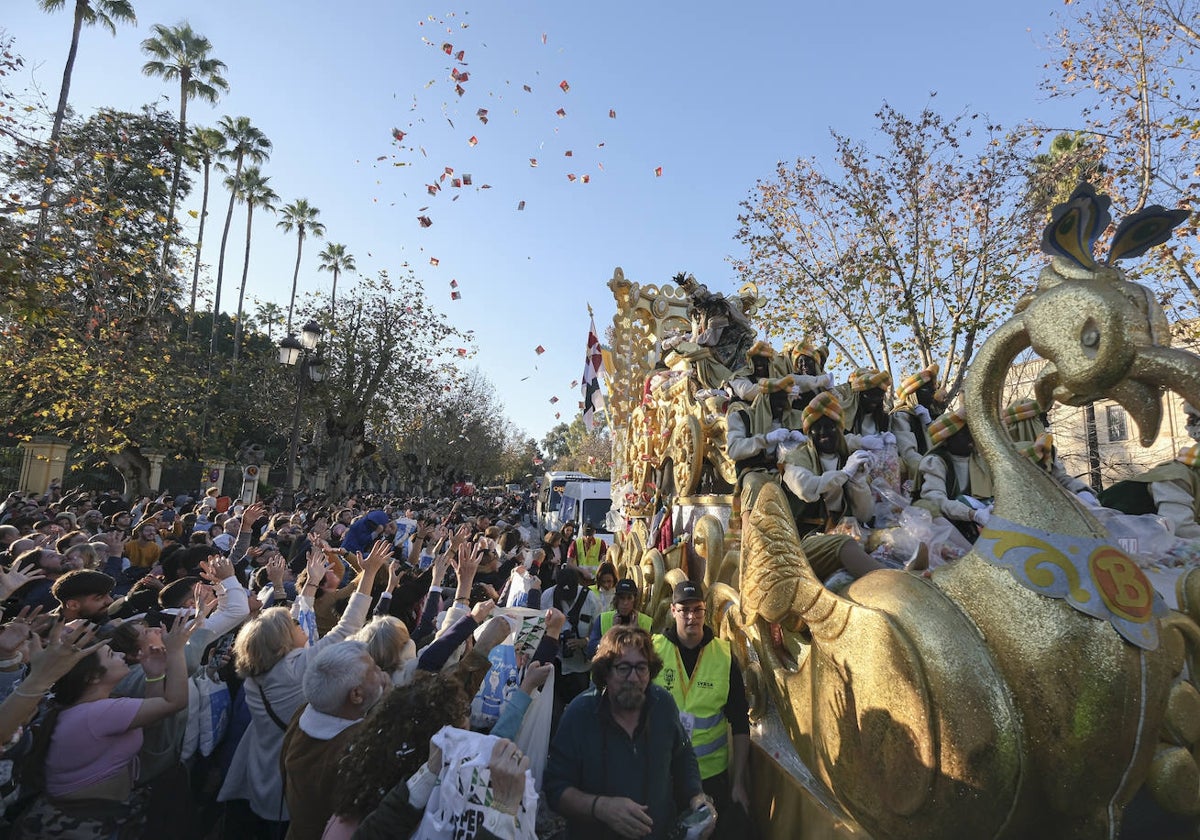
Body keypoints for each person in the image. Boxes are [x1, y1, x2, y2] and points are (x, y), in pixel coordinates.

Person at [217, 541, 389, 831]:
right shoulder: (295, 669)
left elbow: (301, 610)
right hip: (282, 783)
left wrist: (310, 582)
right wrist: (369, 574)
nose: (300, 624)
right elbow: (348, 627)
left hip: (255, 770)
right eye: (294, 625)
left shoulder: (257, 673)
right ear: (283, 642)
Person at [13, 615, 198, 839]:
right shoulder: (98, 714)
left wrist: (154, 676)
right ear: (92, 677)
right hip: (80, 823)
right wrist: (176, 650)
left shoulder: (90, 708)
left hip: (93, 814)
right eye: (111, 654)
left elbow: (154, 715)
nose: (120, 654)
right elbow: (174, 703)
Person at [544, 625, 714, 840]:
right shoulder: (580, 715)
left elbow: (683, 757)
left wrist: (697, 799)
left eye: (641, 668)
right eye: (623, 668)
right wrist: (600, 807)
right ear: (605, 672)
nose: (633, 678)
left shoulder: (663, 705)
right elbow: (555, 789)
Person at [654, 581, 752, 839]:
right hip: (663, 773)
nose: (691, 617)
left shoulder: (724, 655)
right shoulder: (654, 651)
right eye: (684, 610)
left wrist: (739, 781)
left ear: (704, 611)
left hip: (711, 778)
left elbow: (740, 723)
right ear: (673, 611)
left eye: (697, 610)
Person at [280, 641, 390, 840]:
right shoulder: (353, 751)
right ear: (356, 694)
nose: (381, 671)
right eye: (373, 669)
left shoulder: (304, 713)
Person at [779, 391, 887, 579]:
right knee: (843, 545)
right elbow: (806, 488)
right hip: (803, 542)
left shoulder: (847, 459)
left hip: (850, 533)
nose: (823, 433)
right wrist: (844, 473)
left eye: (829, 426)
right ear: (809, 432)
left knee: (890, 539)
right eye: (817, 427)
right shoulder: (795, 459)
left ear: (839, 430)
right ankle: (890, 583)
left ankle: (911, 574)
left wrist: (858, 481)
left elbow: (864, 514)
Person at [915, 408, 995, 543]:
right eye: (964, 434)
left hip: (978, 518)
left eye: (972, 433)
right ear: (947, 439)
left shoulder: (980, 460)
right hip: (950, 519)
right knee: (926, 506)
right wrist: (972, 514)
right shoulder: (935, 462)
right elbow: (936, 499)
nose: (971, 438)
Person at [891, 363, 939, 481]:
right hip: (913, 474)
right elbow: (908, 453)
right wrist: (929, 470)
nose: (932, 394)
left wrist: (929, 424)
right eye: (926, 389)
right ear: (914, 394)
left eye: (933, 390)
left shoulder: (933, 416)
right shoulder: (901, 416)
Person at [587, 577, 651, 657]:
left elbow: (651, 653)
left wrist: (636, 633)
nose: (625, 603)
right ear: (616, 599)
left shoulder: (646, 621)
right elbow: (590, 651)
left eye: (629, 598)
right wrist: (612, 633)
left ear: (635, 599)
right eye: (622, 598)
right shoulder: (603, 619)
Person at [51, 569, 115, 622]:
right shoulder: (46, 631)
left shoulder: (107, 613)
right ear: (73, 605)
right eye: (99, 598)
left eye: (108, 594)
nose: (110, 600)